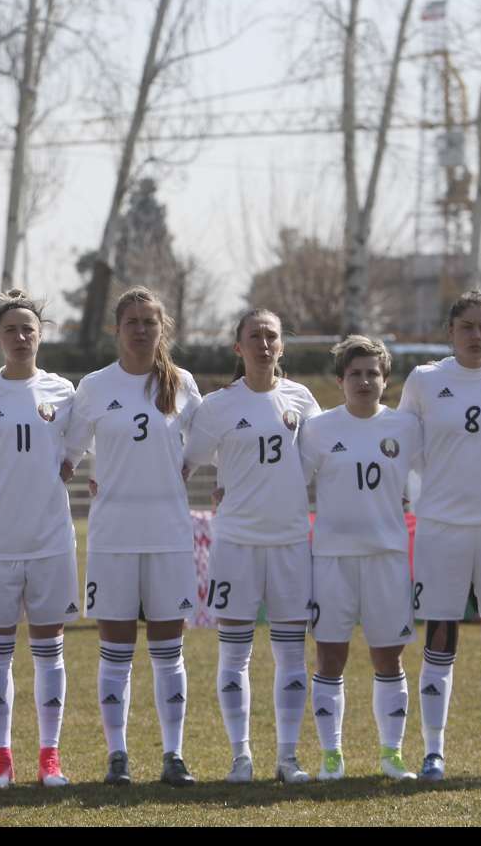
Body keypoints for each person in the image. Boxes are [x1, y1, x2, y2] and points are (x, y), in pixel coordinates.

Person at [63, 286, 202, 787]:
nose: (141, 329)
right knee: (115, 650)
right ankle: (117, 755)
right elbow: (67, 456)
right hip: (113, 537)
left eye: (150, 321)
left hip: (168, 534)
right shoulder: (95, 386)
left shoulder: (182, 383)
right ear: (116, 329)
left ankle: (173, 756)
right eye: (132, 321)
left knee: (169, 651)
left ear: (162, 328)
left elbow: (203, 446)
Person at [397, 292, 481, 782]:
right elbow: (405, 446)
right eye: (468, 327)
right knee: (440, 635)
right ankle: (433, 752)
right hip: (441, 528)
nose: (477, 336)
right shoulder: (425, 381)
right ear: (450, 331)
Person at [183, 309, 320, 784]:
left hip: (289, 544)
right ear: (238, 348)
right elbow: (184, 462)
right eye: (254, 336)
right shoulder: (218, 406)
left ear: (282, 345)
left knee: (291, 654)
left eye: (272, 336)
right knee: (234, 653)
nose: (264, 344)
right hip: (236, 543)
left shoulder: (301, 399)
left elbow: (321, 459)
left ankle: (287, 757)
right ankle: (240, 756)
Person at [0, 291, 77, 789]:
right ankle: (1, 757)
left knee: (49, 646)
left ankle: (49, 757)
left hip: (50, 539)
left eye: (28, 328)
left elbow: (74, 455)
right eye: (10, 330)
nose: (20, 337)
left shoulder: (65, 393)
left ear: (41, 333)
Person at [299, 336, 421, 782]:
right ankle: (332, 755)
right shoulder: (318, 429)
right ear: (340, 381)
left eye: (373, 373)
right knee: (331, 658)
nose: (365, 381)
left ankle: (392, 754)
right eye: (356, 373)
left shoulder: (406, 427)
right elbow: (292, 484)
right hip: (332, 558)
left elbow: (431, 476)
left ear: (386, 381)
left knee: (389, 659)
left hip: (387, 557)